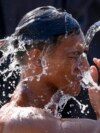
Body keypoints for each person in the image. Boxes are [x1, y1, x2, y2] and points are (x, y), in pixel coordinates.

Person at [0, 6, 100, 133]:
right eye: (74, 55)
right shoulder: (22, 121)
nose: (85, 67)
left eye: (83, 55)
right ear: (37, 58)